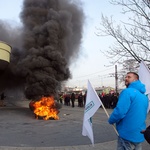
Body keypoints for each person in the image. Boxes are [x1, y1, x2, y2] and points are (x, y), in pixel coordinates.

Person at [108, 72, 149, 150]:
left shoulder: (127, 92)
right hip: (139, 133)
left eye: (129, 77)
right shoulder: (144, 96)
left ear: (136, 79)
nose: (126, 78)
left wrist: (111, 119)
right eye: (125, 77)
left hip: (127, 133)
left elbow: (120, 111)